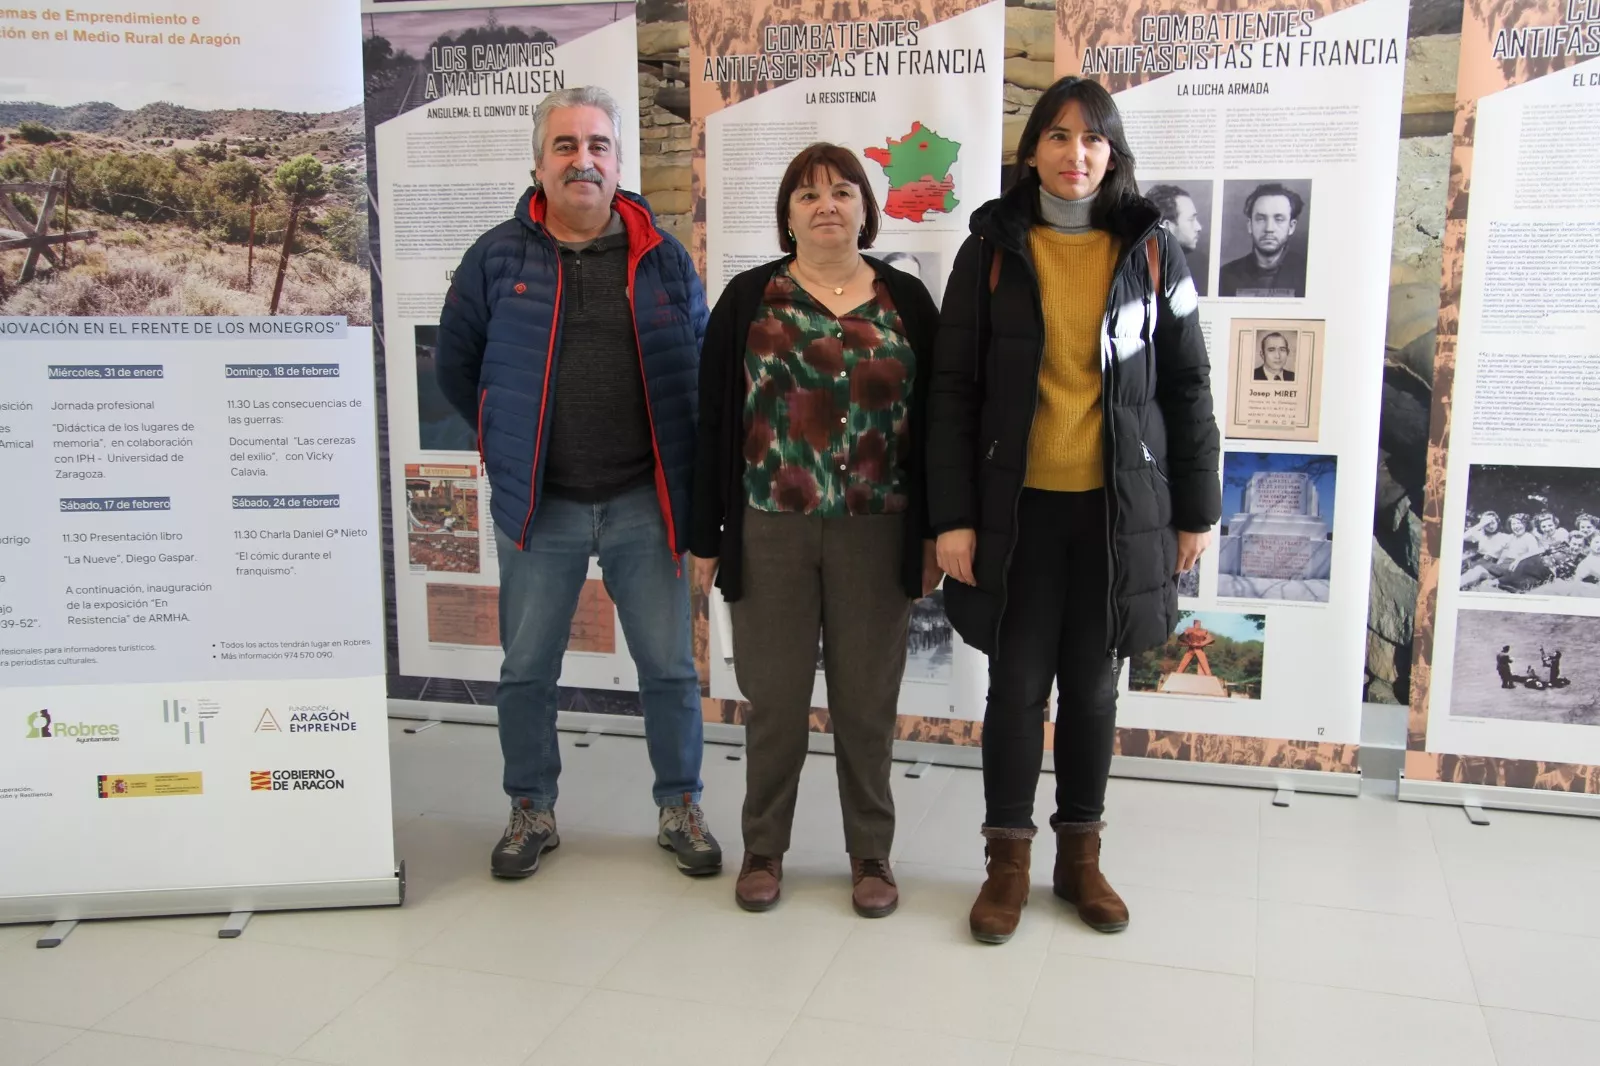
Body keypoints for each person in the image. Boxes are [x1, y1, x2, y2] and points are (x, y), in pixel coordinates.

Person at [926, 76, 1221, 944]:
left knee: (1094, 689)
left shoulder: (1154, 253)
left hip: (1114, 515)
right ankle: (1006, 864)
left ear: (1112, 153)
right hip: (1013, 513)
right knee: (1016, 690)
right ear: (1032, 152)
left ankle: (1079, 858)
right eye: (1057, 136)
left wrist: (1193, 512)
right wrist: (951, 516)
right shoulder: (988, 250)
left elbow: (1189, 387)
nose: (1074, 154)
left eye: (1091, 139)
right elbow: (950, 394)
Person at [436, 86, 720, 880]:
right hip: (541, 506)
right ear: (538, 163)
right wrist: (505, 432)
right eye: (565, 146)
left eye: (597, 146)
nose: (582, 160)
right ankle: (531, 807)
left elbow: (694, 374)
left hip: (643, 502)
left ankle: (680, 804)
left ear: (617, 163)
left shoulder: (663, 257)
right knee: (528, 668)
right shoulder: (496, 258)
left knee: (667, 667)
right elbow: (459, 369)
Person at [691, 143, 942, 918]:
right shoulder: (747, 299)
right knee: (774, 699)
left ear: (866, 208)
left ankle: (872, 853)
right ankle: (763, 847)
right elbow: (713, 425)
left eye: (841, 191)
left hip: (879, 531)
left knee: (867, 702)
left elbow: (938, 427)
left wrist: (934, 533)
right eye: (807, 194)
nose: (825, 204)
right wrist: (706, 535)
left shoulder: (907, 300)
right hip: (771, 529)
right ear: (787, 214)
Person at [1219, 182, 1308, 298]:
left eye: (1279, 219)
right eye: (1261, 219)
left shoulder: (1307, 274)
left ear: (1291, 227)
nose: (1269, 229)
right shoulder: (1226, 276)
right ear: (1250, 225)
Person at [1146, 184, 1207, 296]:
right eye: (1191, 220)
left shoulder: (1201, 267)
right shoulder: (1139, 275)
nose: (1199, 227)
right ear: (1167, 227)